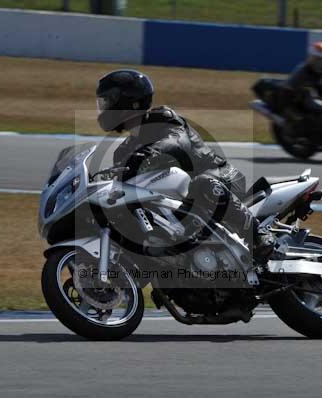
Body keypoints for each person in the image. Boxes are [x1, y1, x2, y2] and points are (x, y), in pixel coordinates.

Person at [96, 69, 274, 261]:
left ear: (128, 100)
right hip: (182, 205)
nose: (104, 108)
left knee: (203, 182)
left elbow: (177, 141)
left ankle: (258, 234)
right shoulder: (123, 152)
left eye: (108, 101)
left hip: (222, 178)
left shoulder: (164, 119)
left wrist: (151, 152)